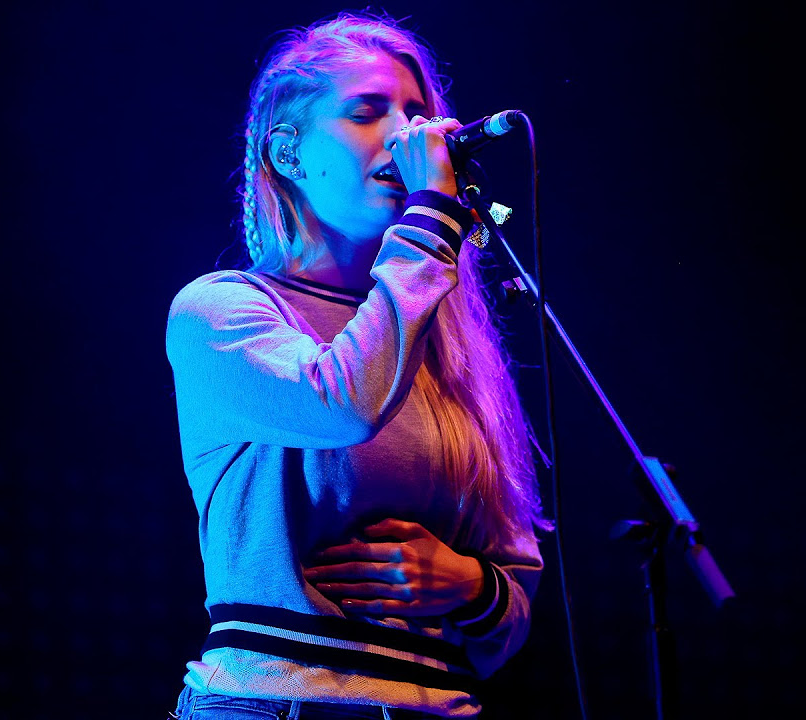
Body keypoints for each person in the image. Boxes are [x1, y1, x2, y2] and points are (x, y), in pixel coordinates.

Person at [165, 12, 551, 719]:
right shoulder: (220, 312)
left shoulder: (446, 347)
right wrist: (432, 220)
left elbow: (515, 597)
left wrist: (470, 586)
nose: (407, 134)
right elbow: (340, 405)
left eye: (416, 111)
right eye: (368, 112)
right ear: (288, 154)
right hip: (280, 704)